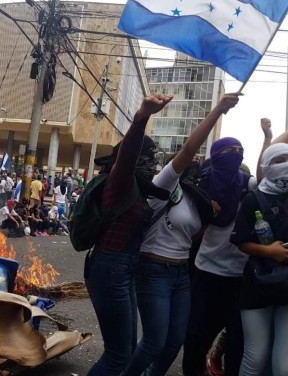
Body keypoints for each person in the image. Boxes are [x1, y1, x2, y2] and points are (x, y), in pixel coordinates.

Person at [121, 93, 241, 376]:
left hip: (182, 275)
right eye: (191, 162)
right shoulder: (165, 183)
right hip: (154, 270)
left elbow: (196, 237)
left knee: (175, 342)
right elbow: (188, 148)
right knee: (153, 343)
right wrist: (218, 110)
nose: (195, 163)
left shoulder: (200, 200)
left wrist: (209, 212)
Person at [85, 94, 172, 375]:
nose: (151, 163)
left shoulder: (136, 188)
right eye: (147, 158)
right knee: (118, 356)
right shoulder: (119, 181)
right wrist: (141, 117)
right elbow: (128, 155)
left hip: (123, 268)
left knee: (125, 350)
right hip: (111, 268)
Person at [183, 136, 258, 376]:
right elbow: (188, 229)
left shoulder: (248, 185)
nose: (236, 154)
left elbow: (269, 173)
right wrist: (207, 213)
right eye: (229, 150)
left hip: (242, 275)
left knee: (237, 342)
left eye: (240, 150)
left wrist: (268, 137)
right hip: (207, 272)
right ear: (216, 156)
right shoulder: (202, 186)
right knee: (196, 338)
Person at [230, 143, 288, 376]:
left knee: (286, 367)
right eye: (279, 160)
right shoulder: (255, 198)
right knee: (255, 358)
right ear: (266, 165)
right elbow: (239, 240)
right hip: (257, 285)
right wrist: (269, 252)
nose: (287, 163)